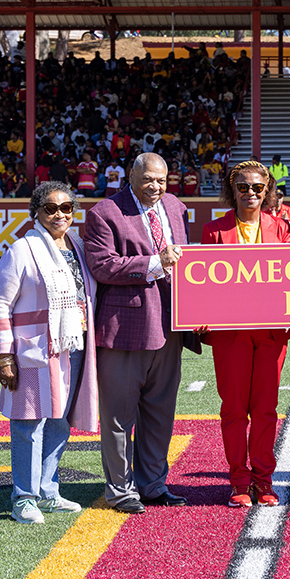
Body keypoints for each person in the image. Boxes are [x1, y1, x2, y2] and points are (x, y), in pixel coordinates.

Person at [84, 152, 199, 514]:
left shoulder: (177, 207)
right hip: (125, 330)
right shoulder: (105, 212)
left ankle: (152, 484)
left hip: (171, 328)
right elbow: (102, 266)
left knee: (160, 413)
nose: (155, 186)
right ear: (130, 176)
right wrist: (154, 263)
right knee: (119, 417)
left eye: (161, 180)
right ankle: (120, 490)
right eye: (148, 179)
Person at [0, 181, 99, 523]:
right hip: (34, 351)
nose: (59, 214)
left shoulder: (79, 246)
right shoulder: (22, 250)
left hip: (73, 345)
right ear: (35, 212)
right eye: (50, 208)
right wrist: (5, 356)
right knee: (28, 425)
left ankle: (48, 491)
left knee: (59, 423)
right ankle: (24, 497)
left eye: (66, 208)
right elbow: (1, 302)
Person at [200, 160, 290, 507]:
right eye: (243, 187)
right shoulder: (214, 230)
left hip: (270, 332)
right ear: (232, 190)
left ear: (267, 189)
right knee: (234, 409)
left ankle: (264, 481)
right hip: (230, 332)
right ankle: (239, 480)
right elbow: (202, 281)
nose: (250, 193)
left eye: (257, 187)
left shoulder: (282, 227)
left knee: (266, 409)